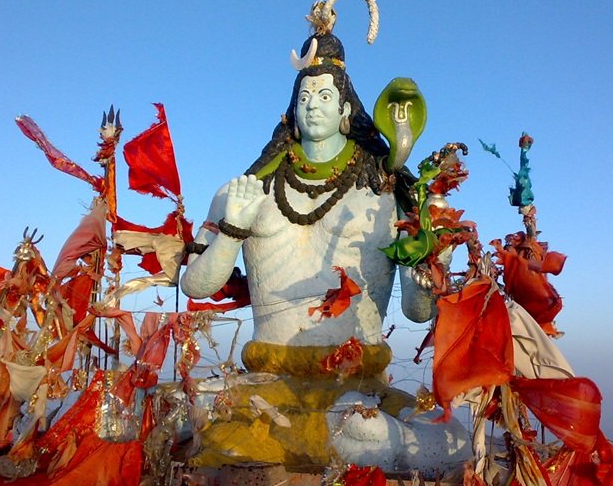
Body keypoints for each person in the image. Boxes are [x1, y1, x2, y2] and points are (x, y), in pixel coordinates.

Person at [181, 32, 435, 379]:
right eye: (305, 97)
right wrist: (232, 232)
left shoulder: (389, 192)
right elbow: (195, 286)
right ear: (293, 108)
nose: (313, 105)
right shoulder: (245, 190)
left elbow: (417, 312)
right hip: (267, 377)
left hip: (358, 384)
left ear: (346, 109)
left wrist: (429, 262)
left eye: (325, 95)